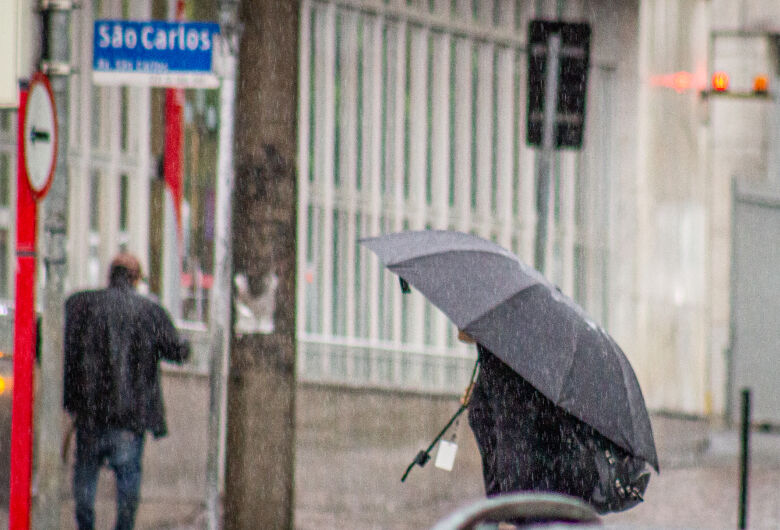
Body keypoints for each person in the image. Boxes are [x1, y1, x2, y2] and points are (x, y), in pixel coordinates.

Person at [64, 253, 190, 530]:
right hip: (130, 416)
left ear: (110, 274)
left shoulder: (82, 305)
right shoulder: (149, 311)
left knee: (85, 480)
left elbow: (51, 339)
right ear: (134, 279)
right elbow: (177, 350)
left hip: (91, 414)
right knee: (128, 483)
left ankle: (86, 525)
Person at [459, 330, 600, 505]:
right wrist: (479, 401)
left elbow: (515, 446)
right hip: (537, 497)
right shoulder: (495, 358)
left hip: (532, 504)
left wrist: (510, 514)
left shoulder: (507, 361)